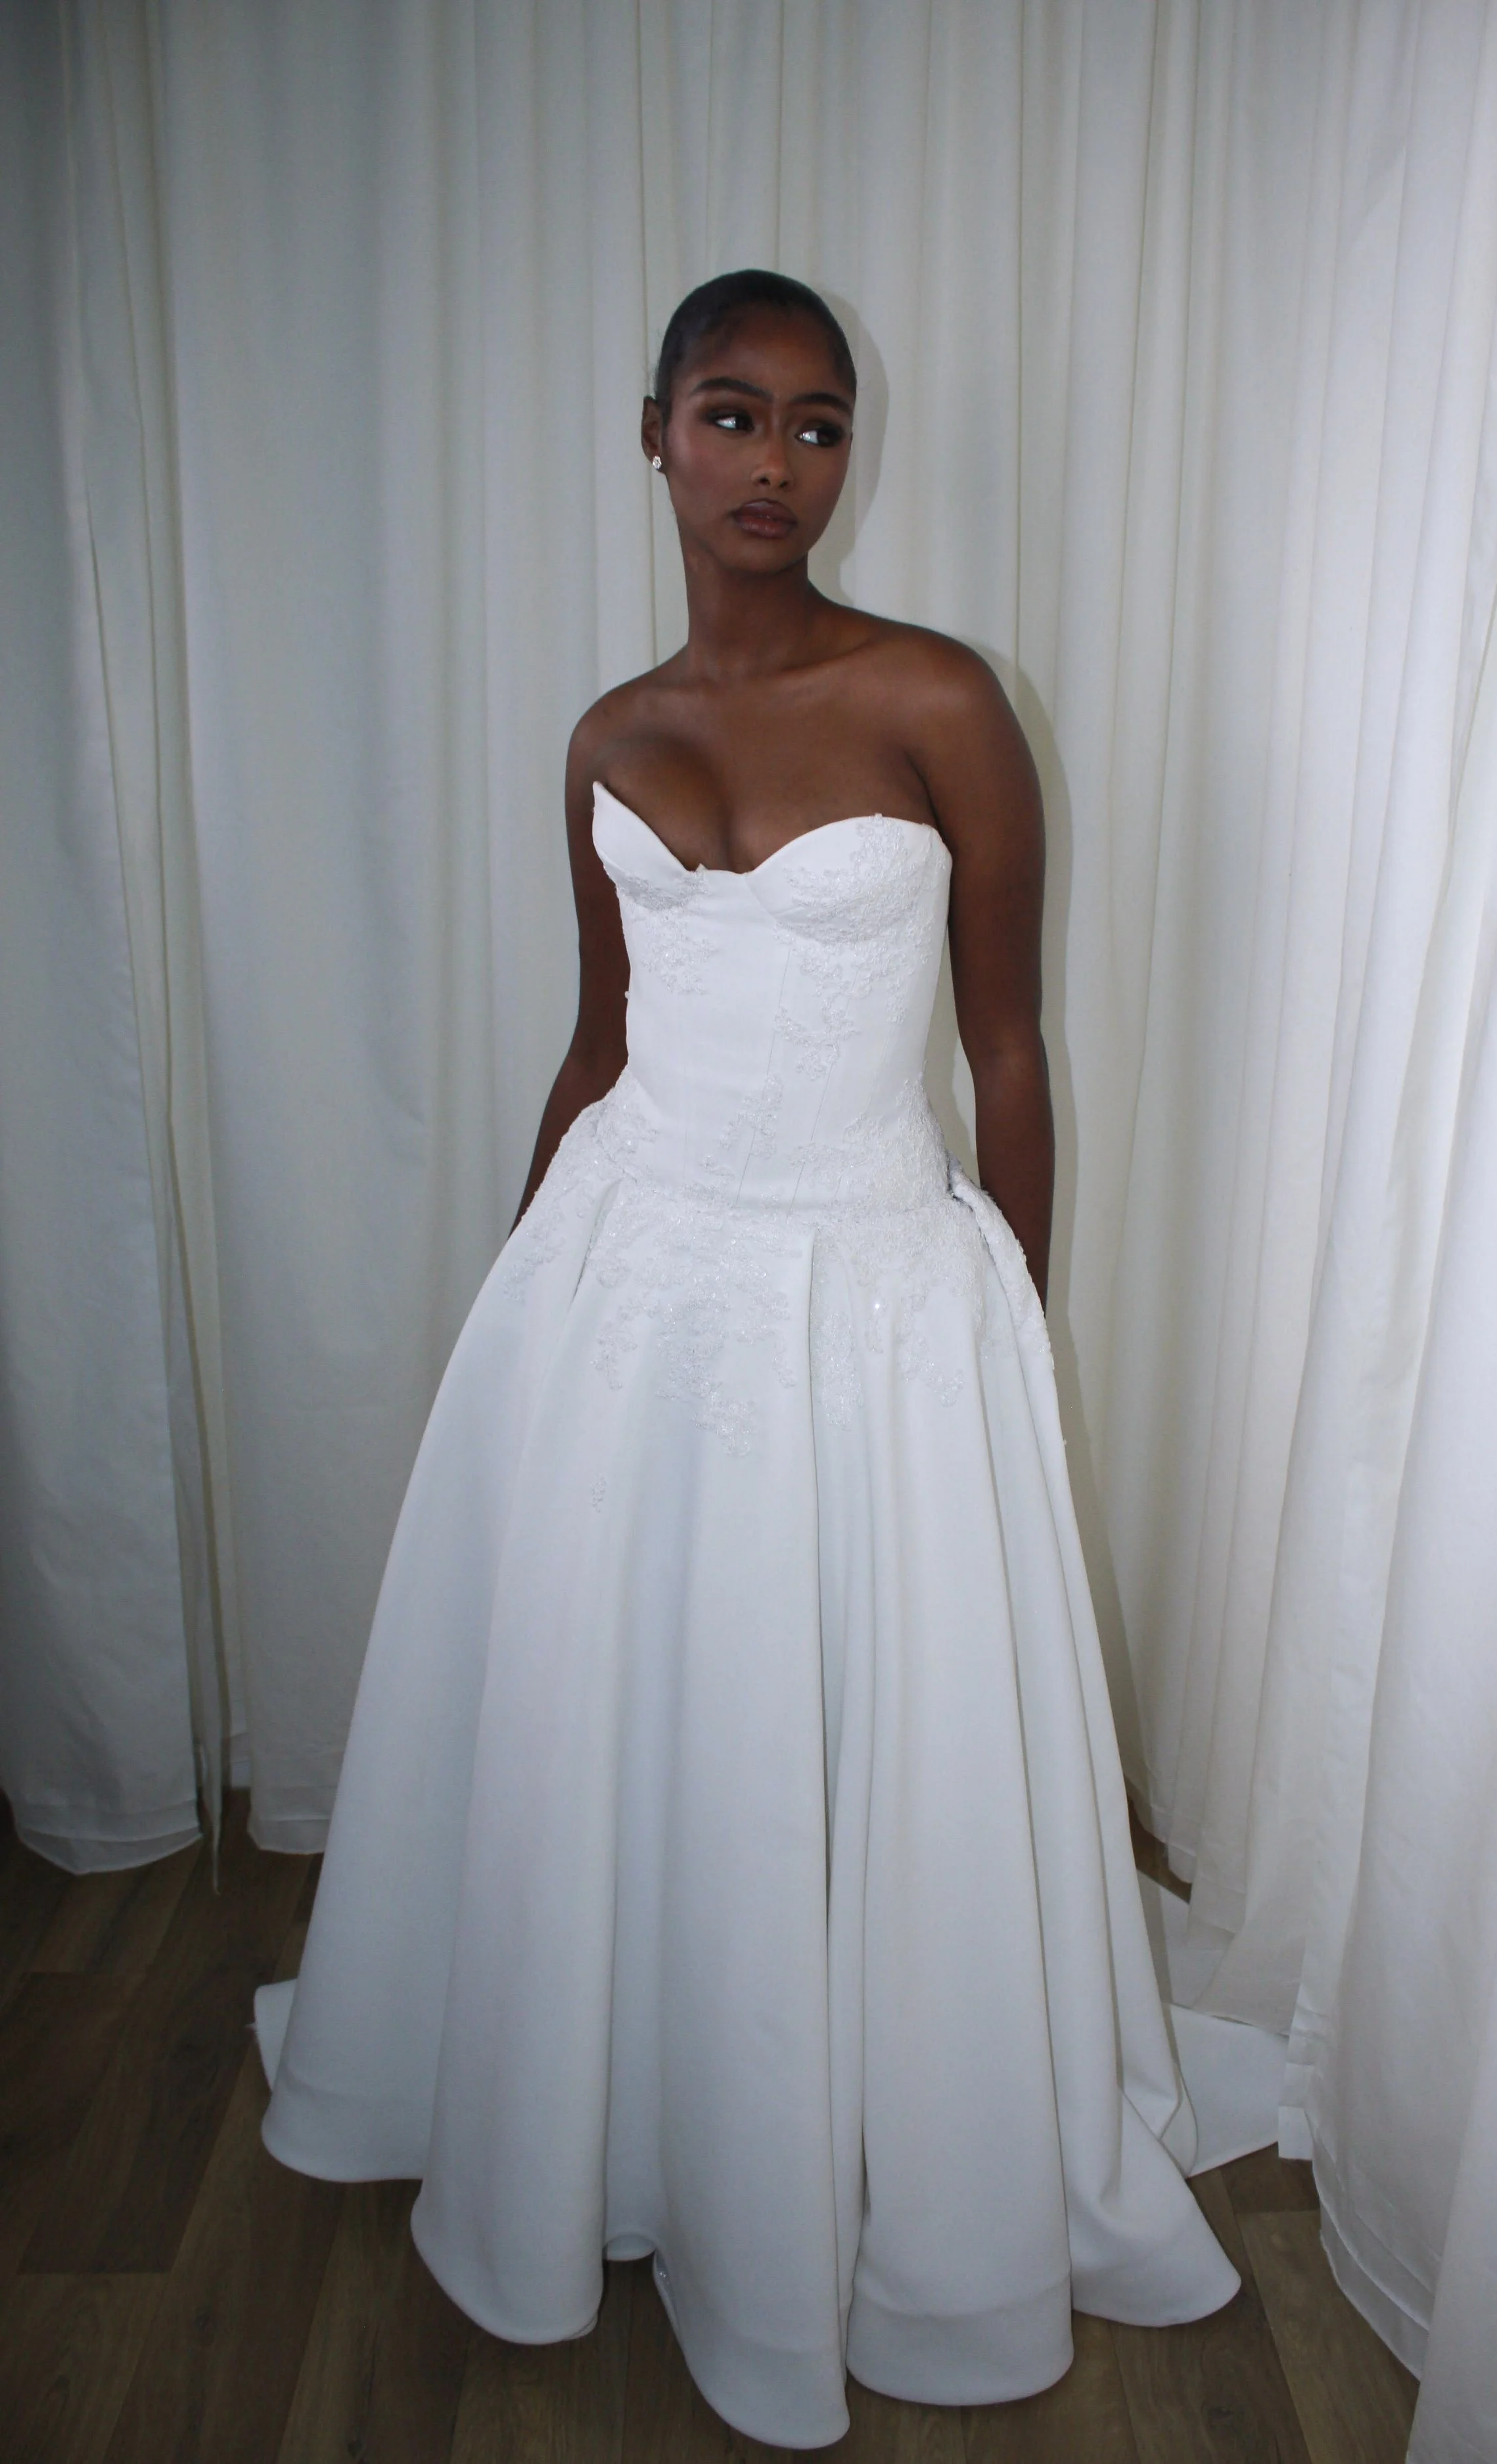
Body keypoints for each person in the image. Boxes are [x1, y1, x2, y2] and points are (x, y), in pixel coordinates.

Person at [256, 267, 1237, 2448]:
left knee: (859, 1714)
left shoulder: (939, 701)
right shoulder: (609, 733)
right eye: (731, 415)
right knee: (629, 1701)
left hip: (868, 1281)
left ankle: (855, 2134)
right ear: (653, 434)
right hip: (630, 1270)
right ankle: (619, 2110)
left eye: (815, 424)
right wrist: (521, 1297)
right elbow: (602, 1041)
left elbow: (1005, 1041)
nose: (774, 463)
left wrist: (1007, 1305)